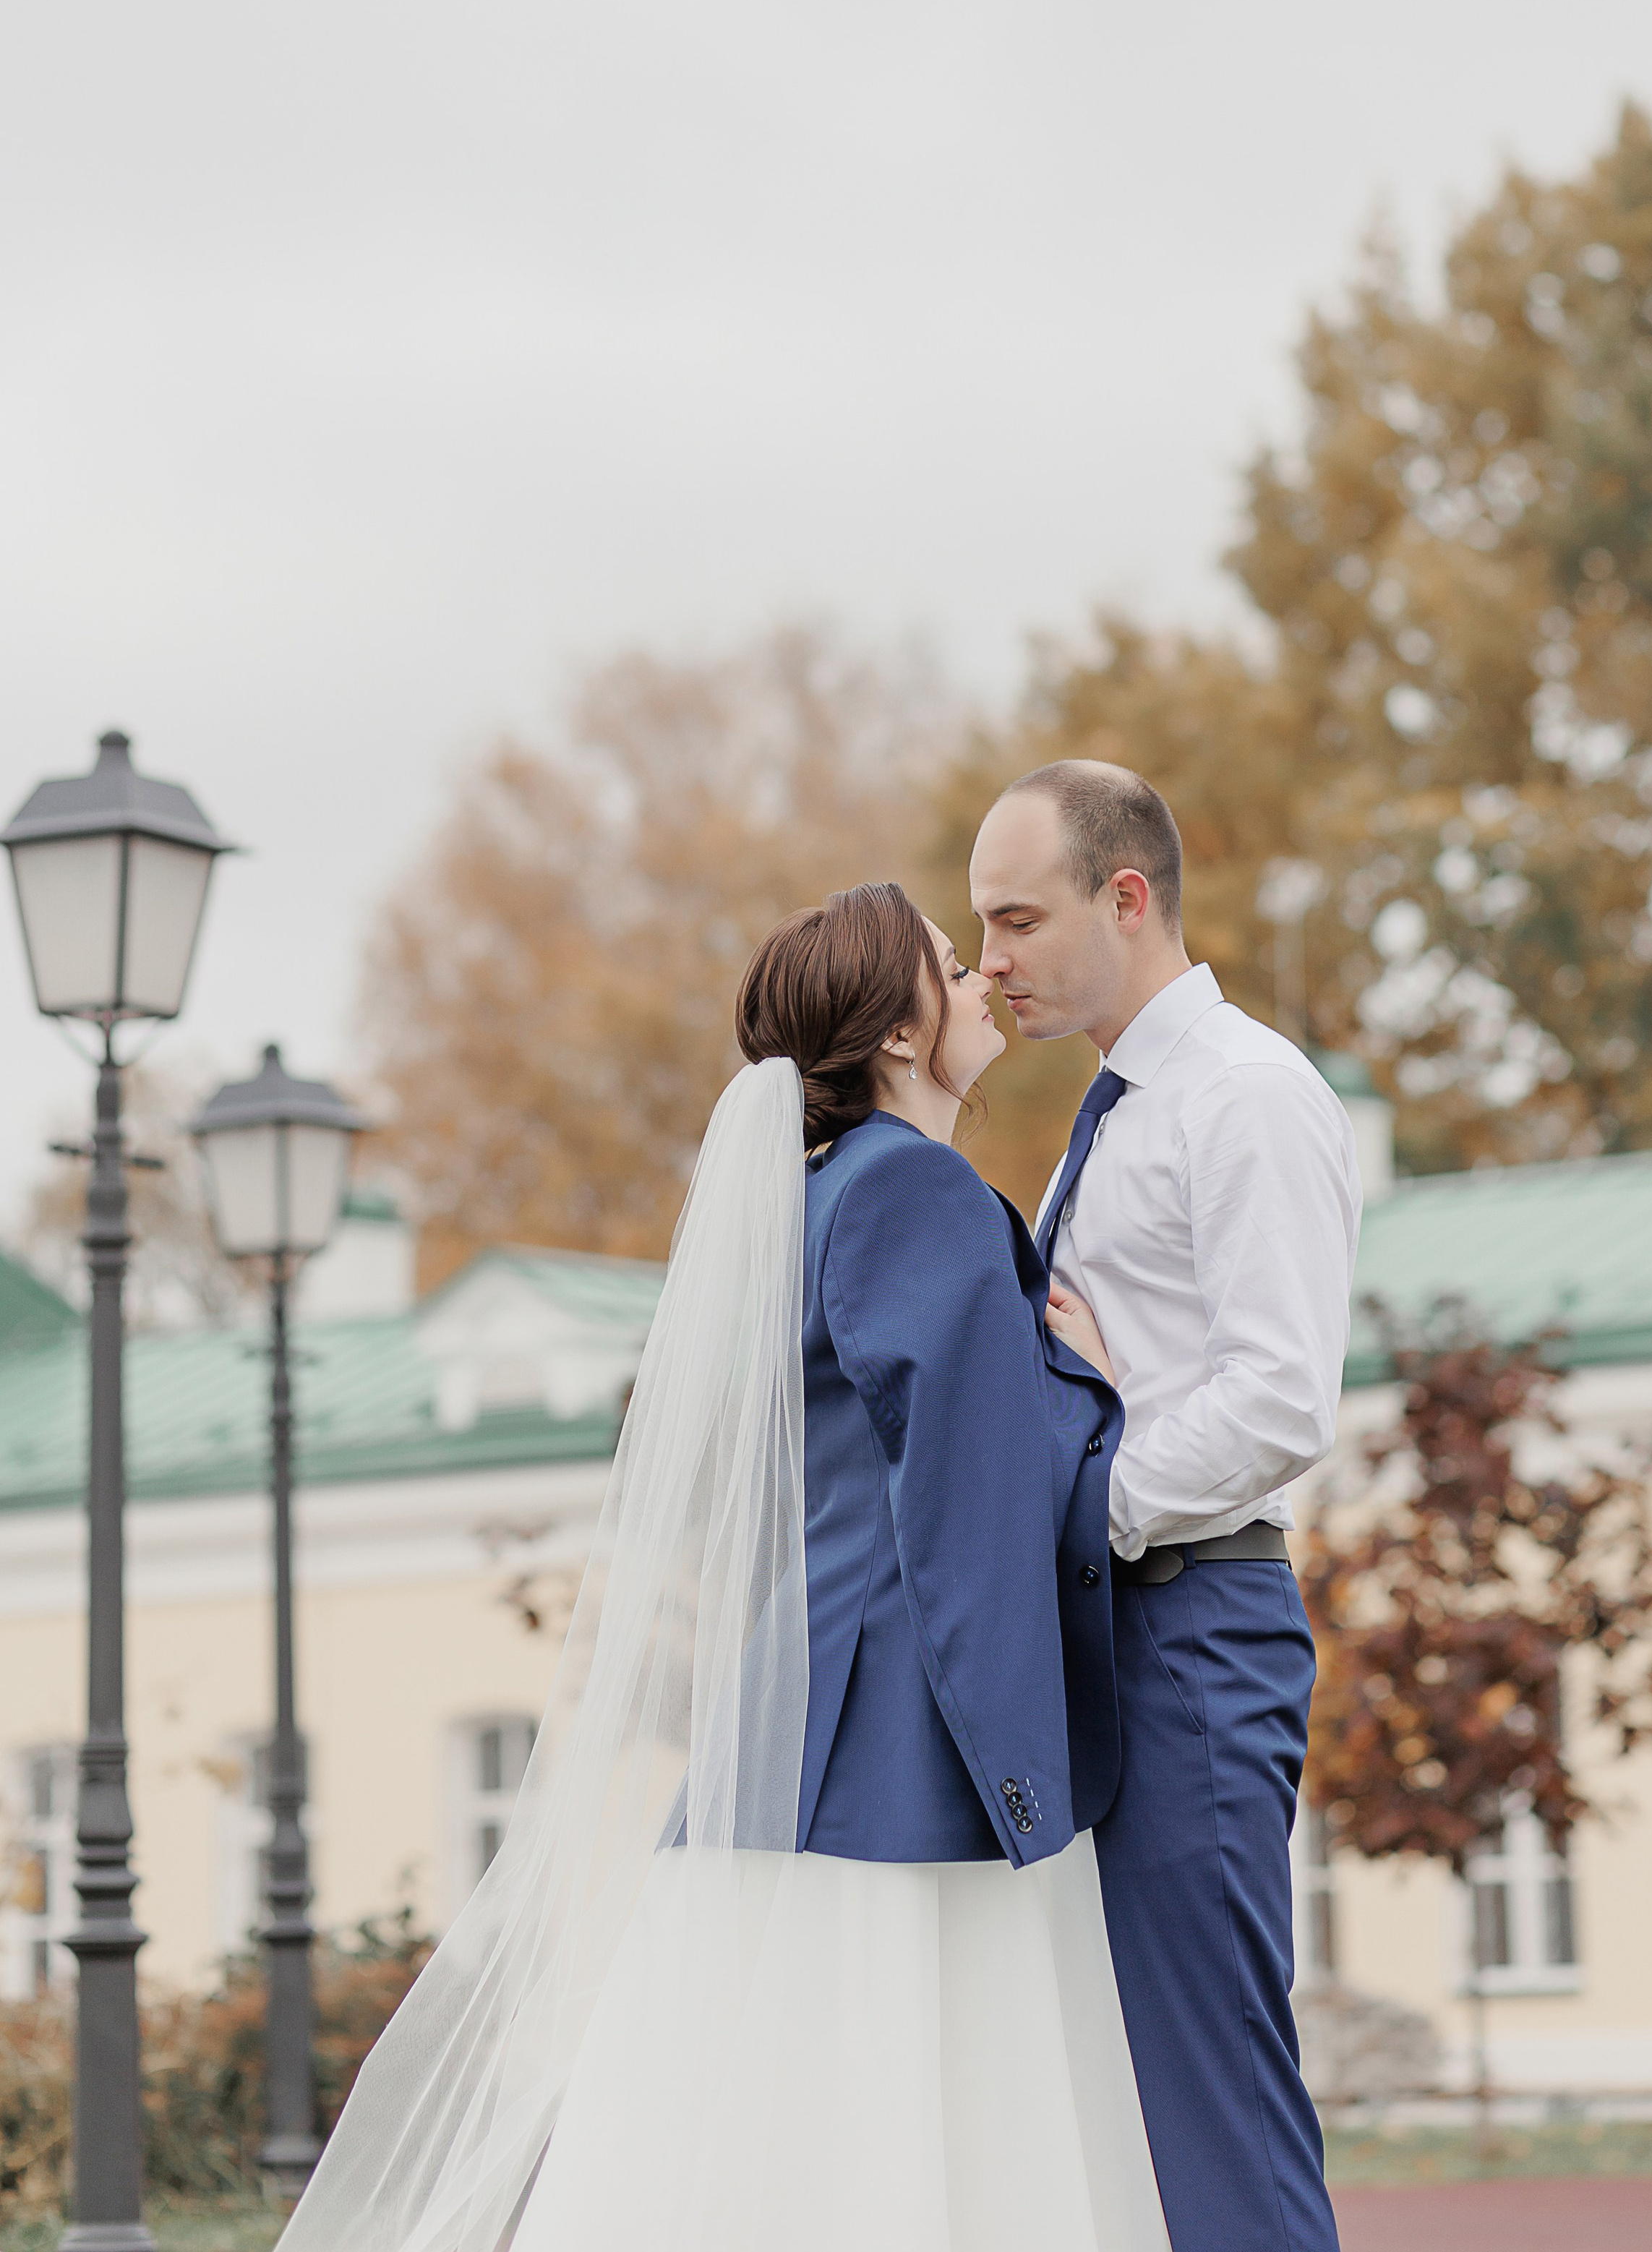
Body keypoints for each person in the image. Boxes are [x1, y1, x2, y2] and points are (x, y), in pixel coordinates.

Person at [278, 880, 1169, 2252]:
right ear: (890, 1031)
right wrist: (1100, 1399)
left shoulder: (817, 1196)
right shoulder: (913, 1188)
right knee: (910, 2127)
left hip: (801, 1719)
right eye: (947, 959)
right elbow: (969, 1484)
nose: (979, 976)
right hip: (905, 1744)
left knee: (769, 2132)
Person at [970, 765, 1361, 2252]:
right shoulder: (1110, 1110)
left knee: (1208, 2095)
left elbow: (1278, 1401)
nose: (989, 960)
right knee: (1117, 2095)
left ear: (1123, 899)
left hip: (1189, 1632)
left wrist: (1088, 1489)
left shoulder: (1246, 1097)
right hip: (1113, 1625)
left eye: (1017, 919)